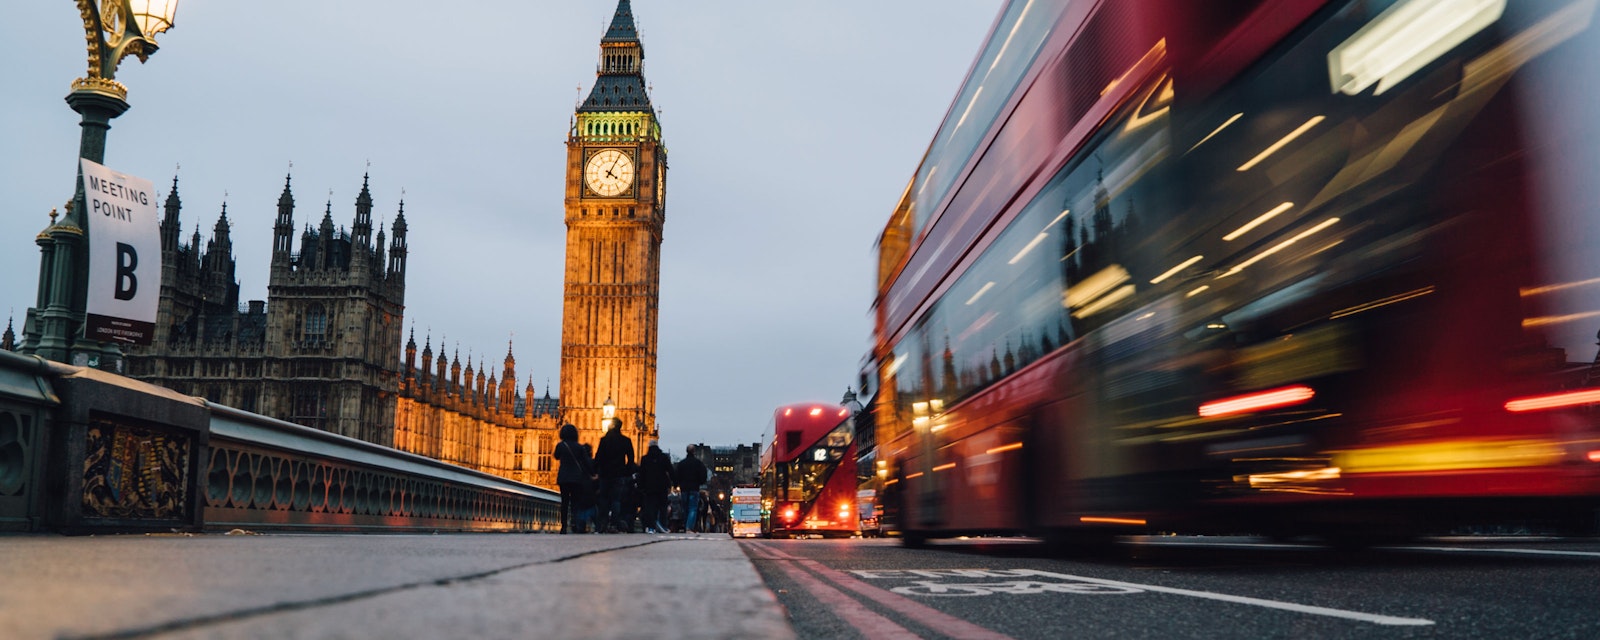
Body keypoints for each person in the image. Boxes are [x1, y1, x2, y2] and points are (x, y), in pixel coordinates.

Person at [552, 423, 597, 534]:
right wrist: (593, 474)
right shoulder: (579, 447)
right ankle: (574, 524)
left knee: (564, 503)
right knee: (575, 503)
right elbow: (586, 462)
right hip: (576, 478)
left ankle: (563, 527)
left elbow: (556, 456)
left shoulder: (561, 445)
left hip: (563, 478)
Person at [594, 419, 635, 533]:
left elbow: (598, 457)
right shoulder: (625, 440)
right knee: (616, 500)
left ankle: (603, 524)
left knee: (604, 499)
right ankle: (614, 524)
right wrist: (626, 471)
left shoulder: (604, 440)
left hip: (605, 474)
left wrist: (596, 471)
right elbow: (631, 458)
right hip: (619, 474)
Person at [637, 441, 675, 533]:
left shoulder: (645, 459)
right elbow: (670, 470)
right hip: (662, 486)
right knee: (662, 507)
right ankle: (663, 526)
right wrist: (673, 482)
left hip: (649, 486)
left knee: (650, 507)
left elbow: (641, 474)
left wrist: (641, 486)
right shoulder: (663, 457)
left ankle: (651, 527)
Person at [675, 444, 709, 533]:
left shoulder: (681, 464)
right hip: (694, 487)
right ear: (694, 451)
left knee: (685, 508)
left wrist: (678, 484)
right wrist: (700, 482)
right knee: (693, 508)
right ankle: (689, 527)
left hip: (684, 488)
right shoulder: (698, 463)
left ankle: (685, 524)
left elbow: (676, 475)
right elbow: (703, 475)